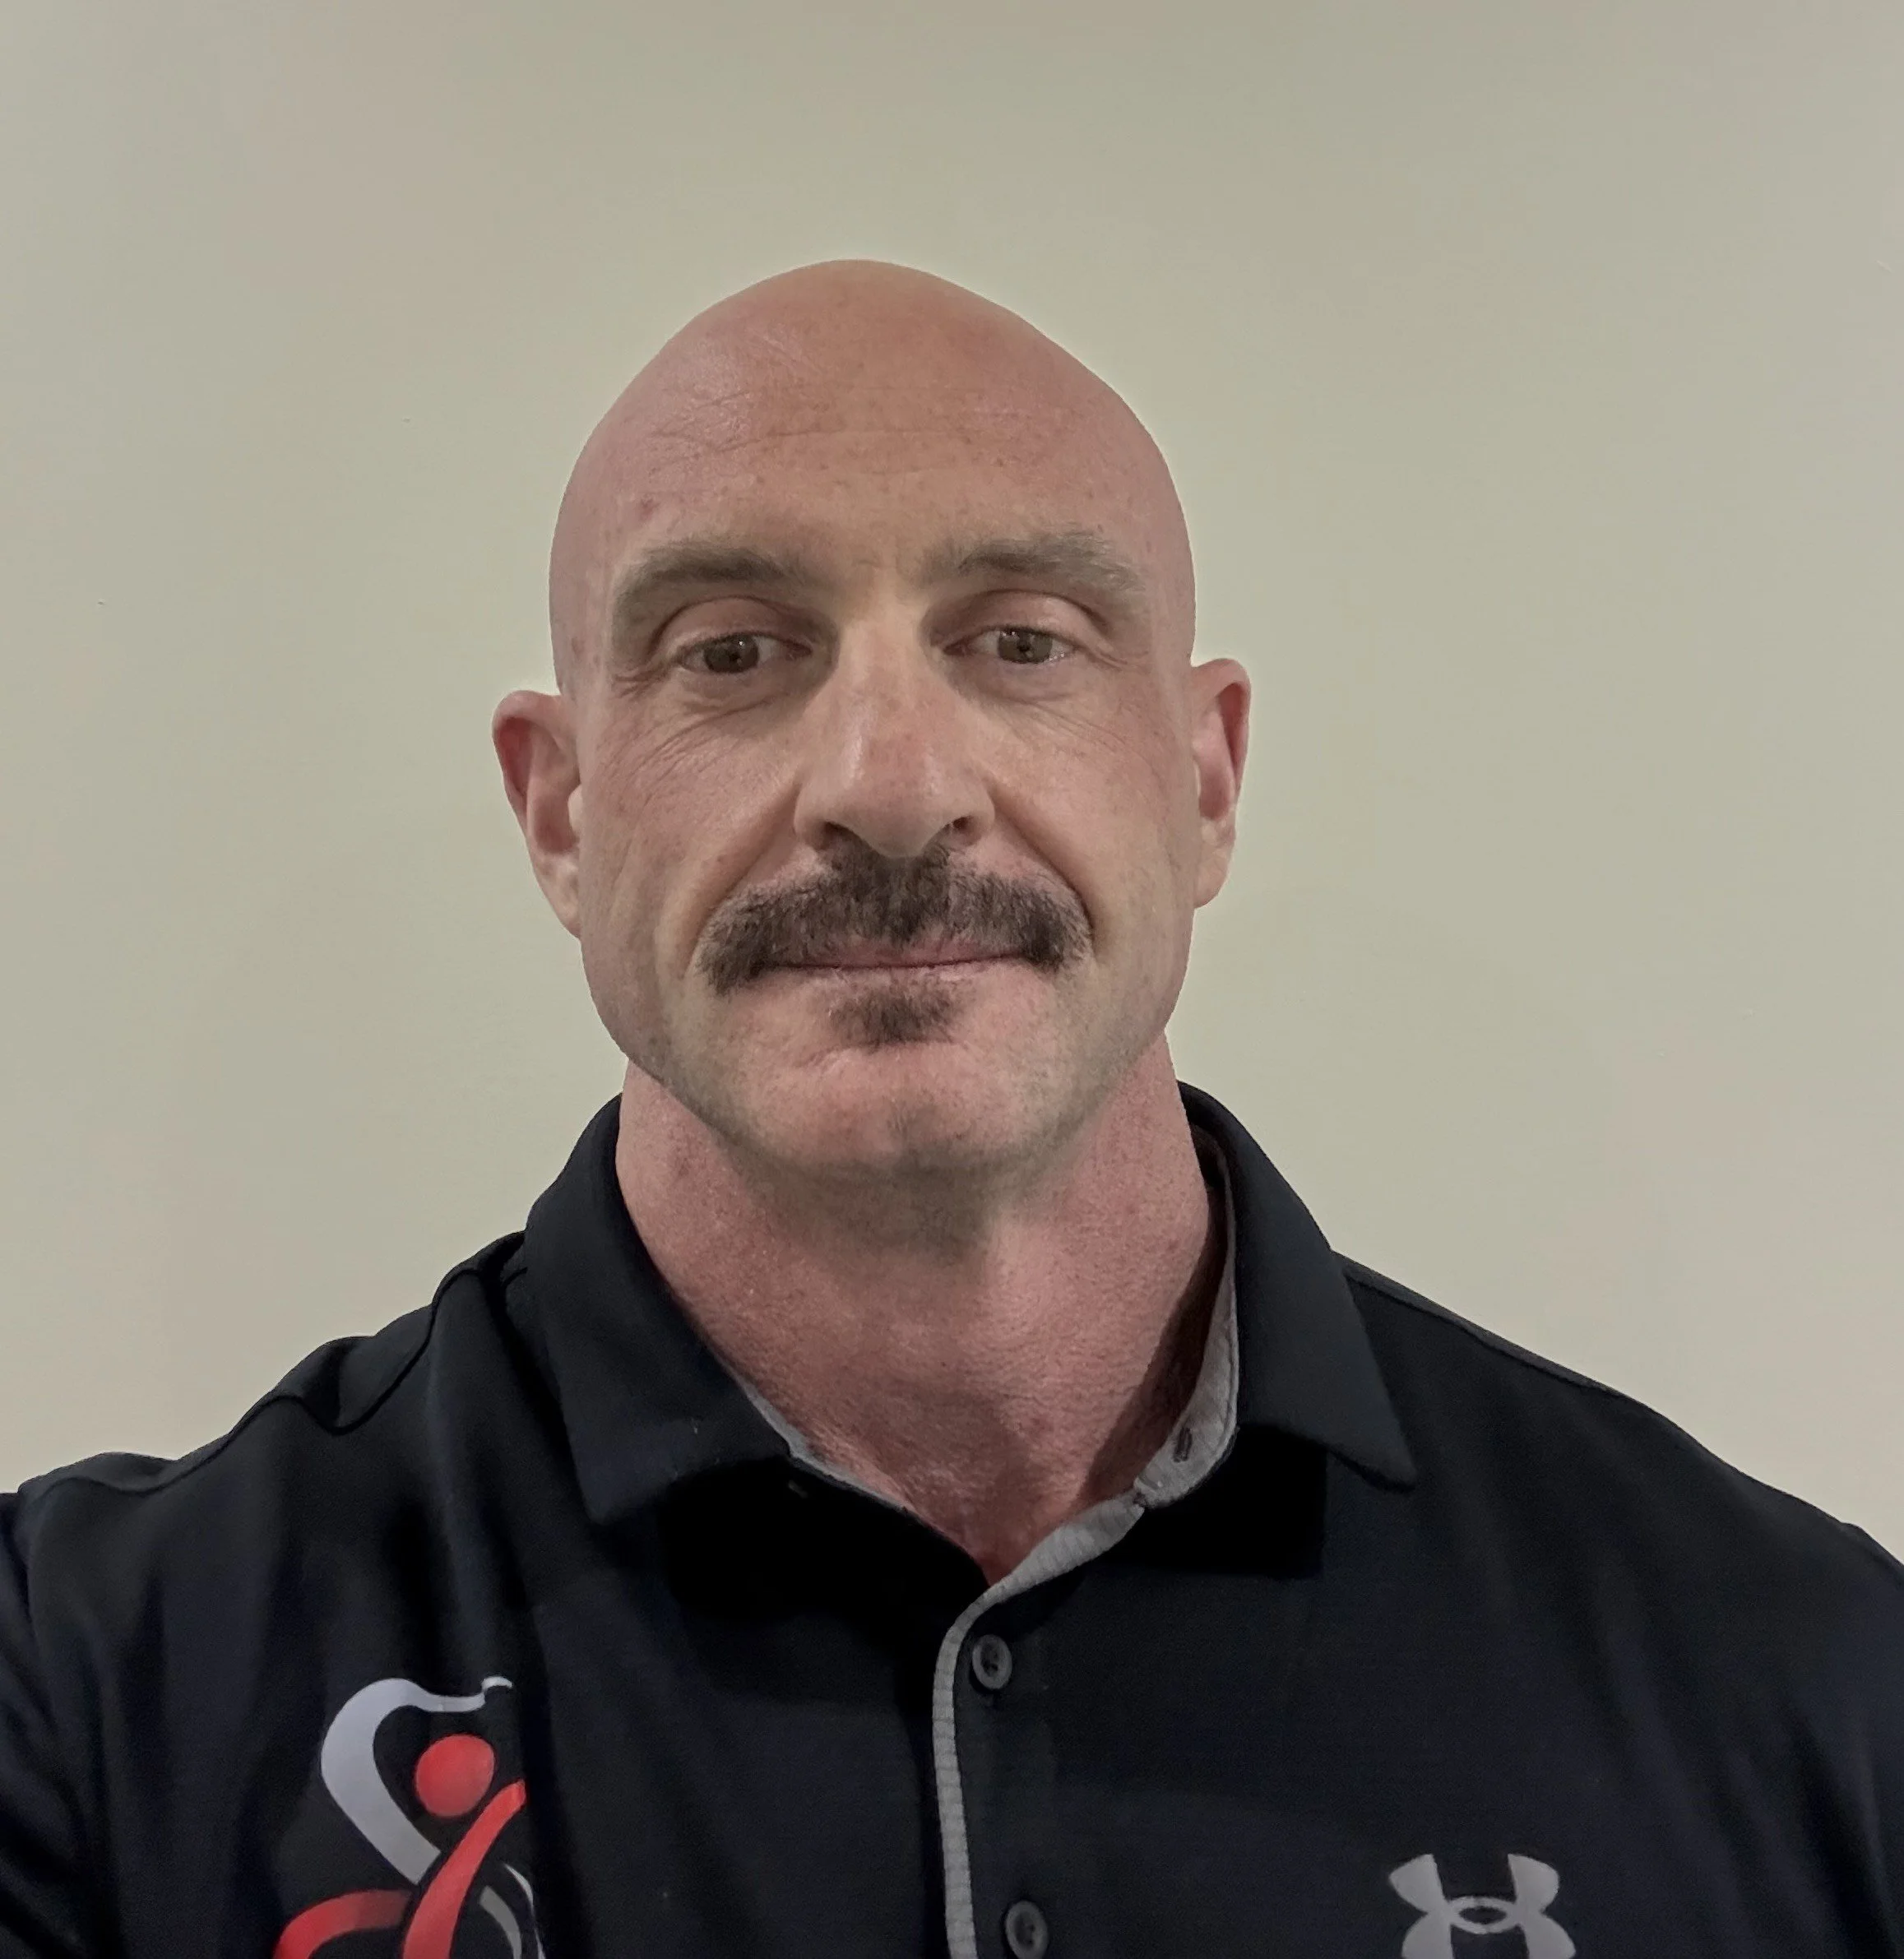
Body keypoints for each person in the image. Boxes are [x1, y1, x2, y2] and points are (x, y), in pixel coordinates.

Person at [2, 262, 1899, 1959]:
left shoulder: (1802, 1677)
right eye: (733, 650)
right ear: (561, 814)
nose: (892, 785)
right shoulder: (83, 1693)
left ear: (1202, 781)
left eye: (1020, 640)